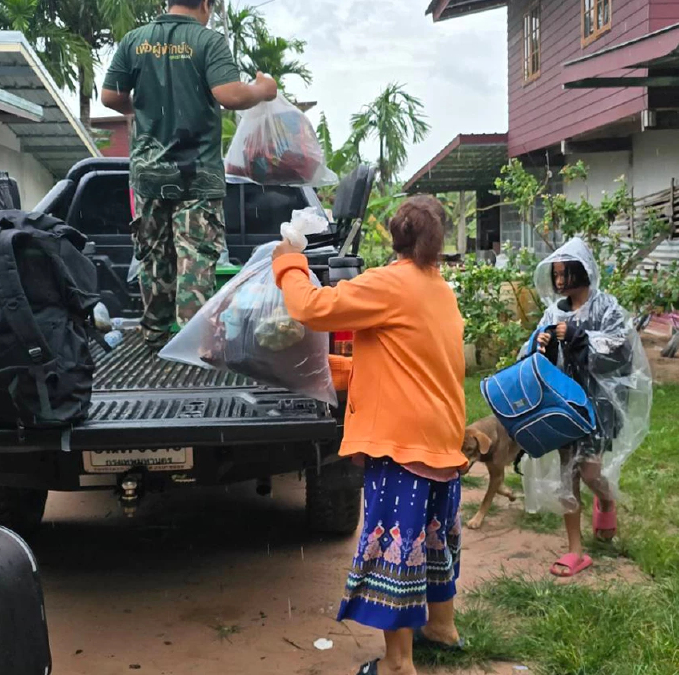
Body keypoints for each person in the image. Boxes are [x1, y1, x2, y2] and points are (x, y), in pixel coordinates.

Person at [272, 196, 468, 675]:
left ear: (394, 237)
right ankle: (441, 628)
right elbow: (408, 358)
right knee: (433, 539)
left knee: (394, 546)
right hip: (440, 438)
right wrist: (334, 371)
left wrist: (288, 264)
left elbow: (311, 308)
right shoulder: (437, 288)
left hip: (400, 445)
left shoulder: (388, 283)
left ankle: (398, 663)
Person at [102, 0, 278, 348]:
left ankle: (154, 336)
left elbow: (110, 96)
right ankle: (191, 343)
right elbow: (229, 94)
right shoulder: (207, 41)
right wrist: (263, 90)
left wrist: (139, 111)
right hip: (197, 175)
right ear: (206, 4)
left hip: (150, 172)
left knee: (154, 255)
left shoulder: (136, 40)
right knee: (195, 257)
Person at [531, 238, 653, 577]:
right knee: (567, 471)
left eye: (563, 274)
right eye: (554, 275)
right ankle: (575, 549)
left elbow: (620, 350)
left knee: (589, 471)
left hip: (598, 404)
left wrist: (578, 336)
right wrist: (539, 343)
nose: (558, 282)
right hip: (563, 403)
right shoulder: (555, 311)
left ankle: (606, 498)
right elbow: (539, 353)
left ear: (580, 271)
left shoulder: (607, 308)